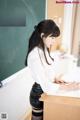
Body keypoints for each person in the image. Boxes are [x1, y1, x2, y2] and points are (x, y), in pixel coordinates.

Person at [25, 19, 80, 120]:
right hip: (38, 95)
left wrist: (55, 79)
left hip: (44, 91)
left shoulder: (43, 48)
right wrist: (68, 88)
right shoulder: (34, 56)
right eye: (52, 38)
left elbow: (48, 70)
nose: (54, 41)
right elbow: (46, 85)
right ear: (42, 35)